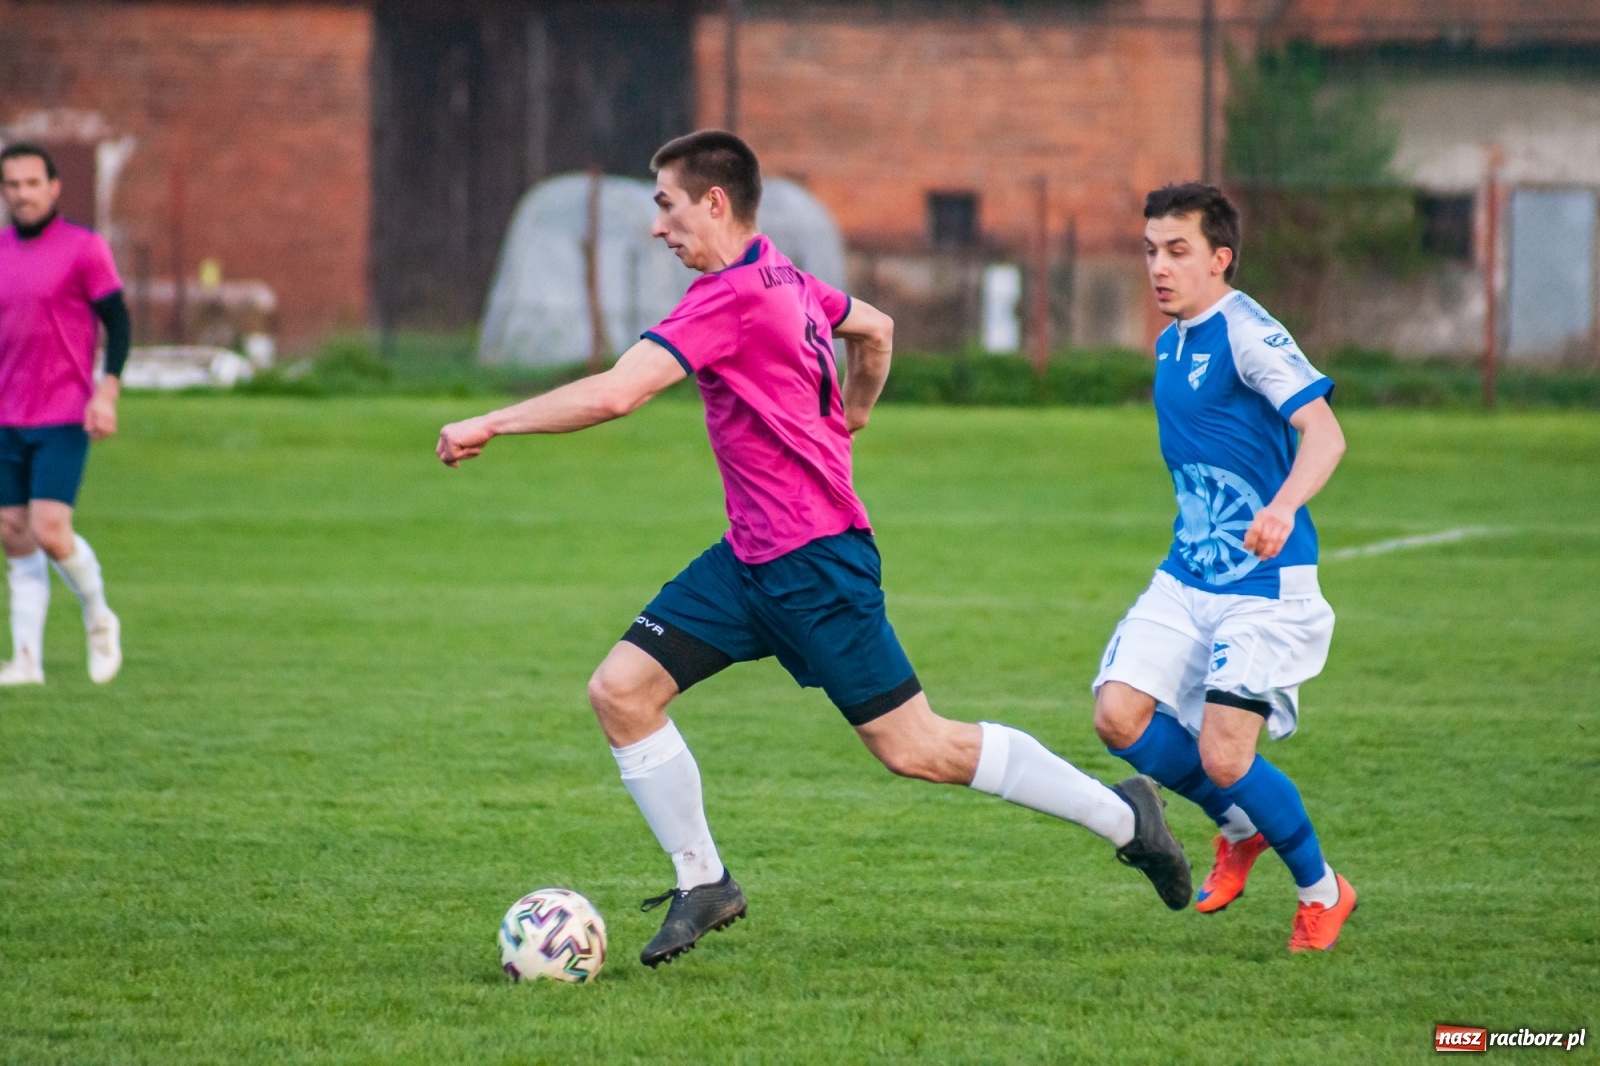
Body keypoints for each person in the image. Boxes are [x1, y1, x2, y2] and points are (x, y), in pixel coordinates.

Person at [438, 130, 1190, 968]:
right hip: (748, 561)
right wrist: (855, 413)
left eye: (666, 205)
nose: (658, 227)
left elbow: (619, 394)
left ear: (713, 203)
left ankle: (1127, 817)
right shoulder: (787, 279)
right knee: (621, 691)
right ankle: (704, 882)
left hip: (817, 566)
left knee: (918, 748)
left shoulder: (727, 298)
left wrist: (492, 421)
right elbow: (877, 327)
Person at [1090, 183, 1356, 952]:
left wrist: (1280, 507)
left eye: (1178, 251)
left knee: (1225, 753)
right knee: (1118, 717)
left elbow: (1325, 434)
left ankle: (1323, 891)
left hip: (1264, 588)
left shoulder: (1248, 333)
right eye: (1150, 251)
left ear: (1220, 259)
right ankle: (1239, 829)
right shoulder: (1170, 344)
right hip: (1187, 576)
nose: (1159, 267)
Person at [0, 142, 126, 685]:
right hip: (7, 412)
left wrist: (107, 393)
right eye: (12, 185)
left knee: (51, 530)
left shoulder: (84, 249)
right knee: (12, 530)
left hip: (62, 409)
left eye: (32, 183)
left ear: (54, 187)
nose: (22, 194)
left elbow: (118, 324)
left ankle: (99, 615)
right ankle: (26, 659)